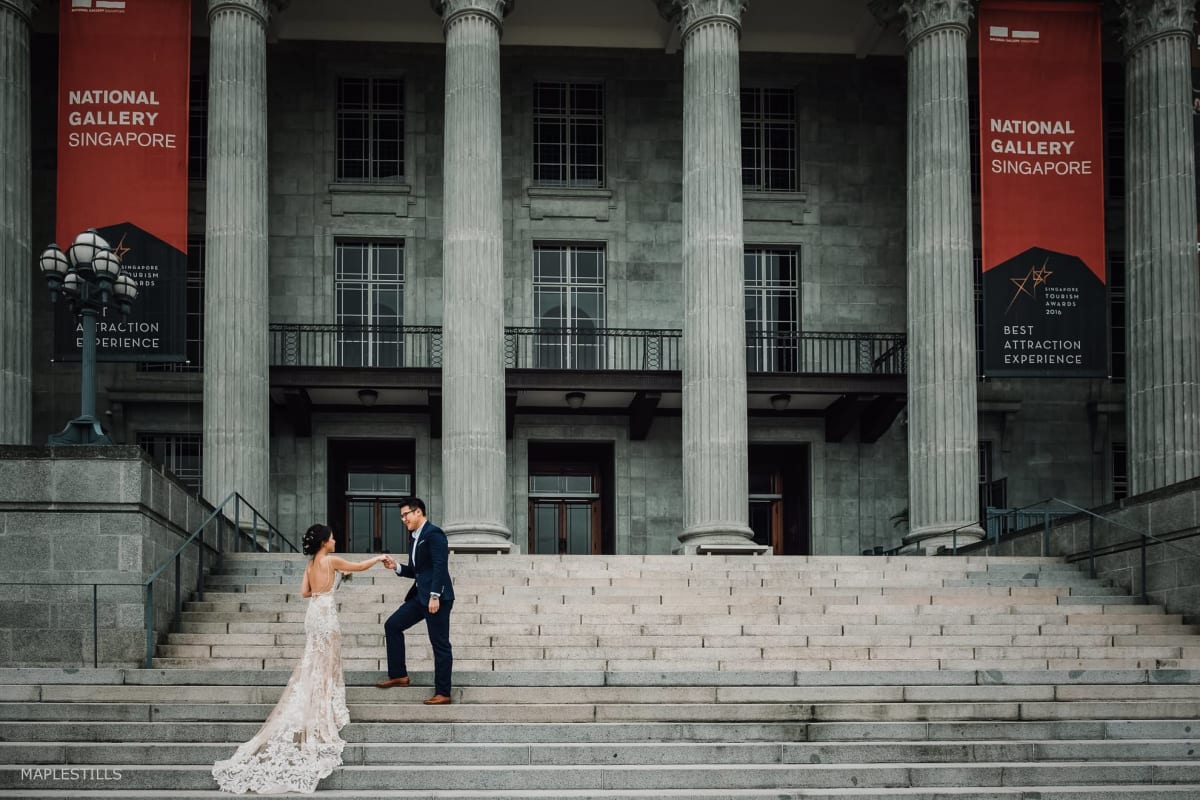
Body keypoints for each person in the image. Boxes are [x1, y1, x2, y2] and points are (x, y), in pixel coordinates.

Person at [212, 524, 387, 794]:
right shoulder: (331, 560)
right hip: (326, 613)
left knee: (313, 659)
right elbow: (359, 566)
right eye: (332, 537)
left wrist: (323, 587)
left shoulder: (311, 564)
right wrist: (378, 557)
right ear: (324, 543)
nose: (335, 539)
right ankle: (324, 704)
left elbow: (304, 592)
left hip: (313, 611)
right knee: (327, 661)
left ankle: (313, 698)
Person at [376, 497, 455, 705]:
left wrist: (435, 595)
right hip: (420, 597)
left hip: (436, 598)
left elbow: (440, 566)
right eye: (401, 516)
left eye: (405, 514)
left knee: (440, 644)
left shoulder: (434, 534)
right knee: (392, 625)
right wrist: (397, 567)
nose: (403, 519)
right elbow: (417, 571)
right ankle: (399, 675)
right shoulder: (414, 537)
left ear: (418, 512)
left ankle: (443, 692)